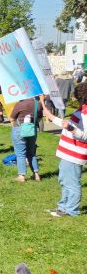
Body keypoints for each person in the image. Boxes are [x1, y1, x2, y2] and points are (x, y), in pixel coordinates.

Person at [40, 82, 87, 217]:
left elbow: (84, 135)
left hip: (75, 154)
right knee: (64, 180)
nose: (74, 97)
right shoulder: (82, 109)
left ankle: (71, 210)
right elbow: (66, 124)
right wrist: (50, 115)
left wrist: (72, 129)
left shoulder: (85, 113)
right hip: (68, 153)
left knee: (71, 183)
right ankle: (63, 207)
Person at [9, 96, 42, 183]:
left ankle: (21, 176)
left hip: (19, 129)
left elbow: (12, 118)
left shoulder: (19, 104)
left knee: (20, 153)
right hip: (32, 130)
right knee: (31, 153)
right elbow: (39, 118)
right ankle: (36, 175)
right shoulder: (37, 104)